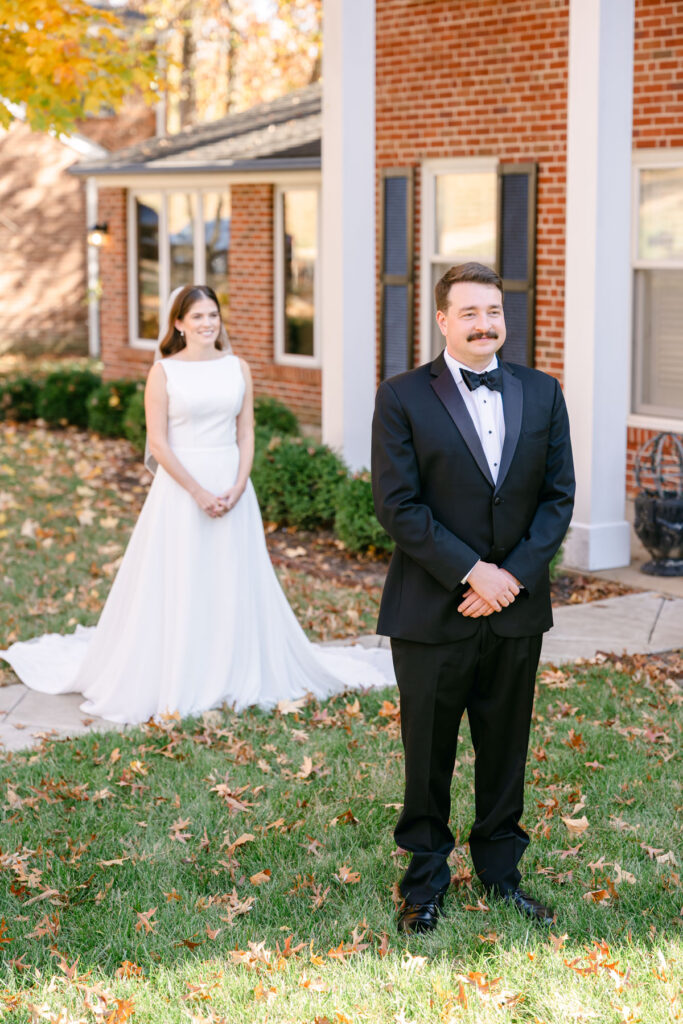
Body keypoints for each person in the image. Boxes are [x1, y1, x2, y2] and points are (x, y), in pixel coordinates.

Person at [2, 285, 393, 723]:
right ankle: (184, 670)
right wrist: (197, 491)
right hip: (181, 490)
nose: (208, 324)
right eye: (198, 317)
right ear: (178, 324)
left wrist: (240, 483)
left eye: (213, 315)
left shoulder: (238, 368)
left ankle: (235, 666)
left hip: (233, 486)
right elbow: (157, 443)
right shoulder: (164, 373)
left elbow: (246, 431)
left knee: (232, 576)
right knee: (183, 576)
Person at [371, 262, 575, 933]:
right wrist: (471, 572)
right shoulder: (401, 396)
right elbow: (397, 505)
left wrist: (508, 577)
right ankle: (424, 881)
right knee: (427, 754)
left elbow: (557, 498)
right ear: (442, 320)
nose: (484, 324)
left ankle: (500, 873)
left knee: (505, 749)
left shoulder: (542, 392)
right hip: (432, 610)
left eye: (493, 311)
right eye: (469, 312)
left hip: (515, 609)